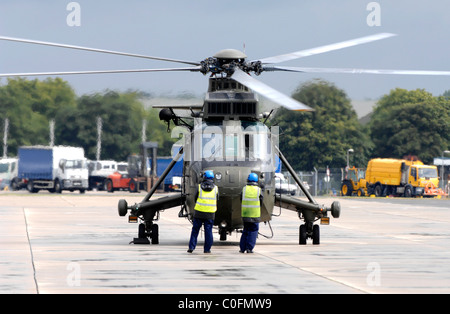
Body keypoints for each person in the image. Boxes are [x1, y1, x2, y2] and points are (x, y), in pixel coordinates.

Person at [188, 170, 218, 254]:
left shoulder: (199, 187)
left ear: (204, 177)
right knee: (208, 231)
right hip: (210, 213)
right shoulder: (216, 188)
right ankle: (207, 249)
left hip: (199, 212)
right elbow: (217, 199)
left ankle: (191, 247)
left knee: (195, 230)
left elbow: (195, 198)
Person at [239, 173, 262, 253]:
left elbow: (241, 199)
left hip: (245, 214)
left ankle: (242, 248)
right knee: (253, 231)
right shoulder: (258, 190)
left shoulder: (244, 189)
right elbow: (261, 202)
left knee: (245, 230)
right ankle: (249, 248)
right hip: (255, 214)